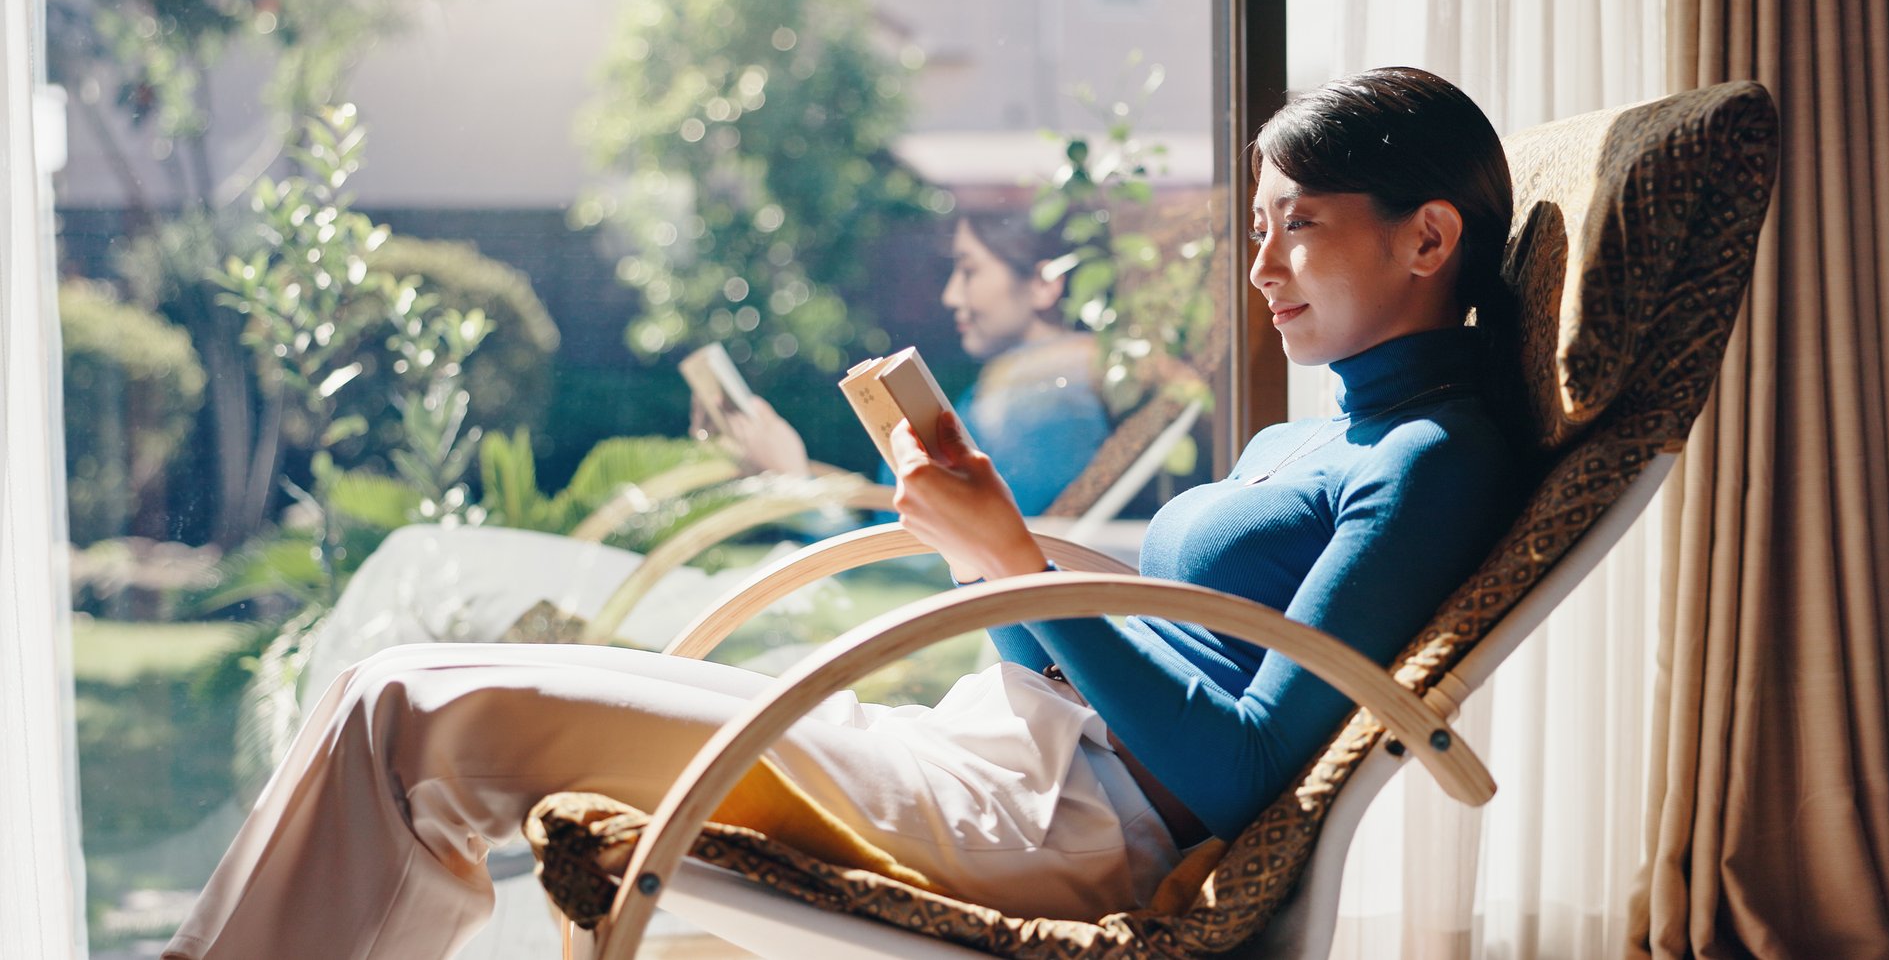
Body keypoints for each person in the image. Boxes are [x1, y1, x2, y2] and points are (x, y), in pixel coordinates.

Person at [162, 66, 1521, 959]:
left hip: (1051, 830)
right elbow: (1131, 651)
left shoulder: (1429, 457)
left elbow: (1241, 769)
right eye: (1261, 223)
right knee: (392, 686)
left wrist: (1014, 564)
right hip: (997, 759)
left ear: (1427, 236)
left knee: (414, 716)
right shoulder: (1306, 433)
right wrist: (995, 557)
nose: (1263, 263)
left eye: (1301, 223)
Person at [698, 211, 1112, 516]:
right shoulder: (1024, 386)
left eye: (969, 271)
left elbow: (946, 558)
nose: (951, 295)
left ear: (1042, 284)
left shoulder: (1051, 401)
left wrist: (794, 486)